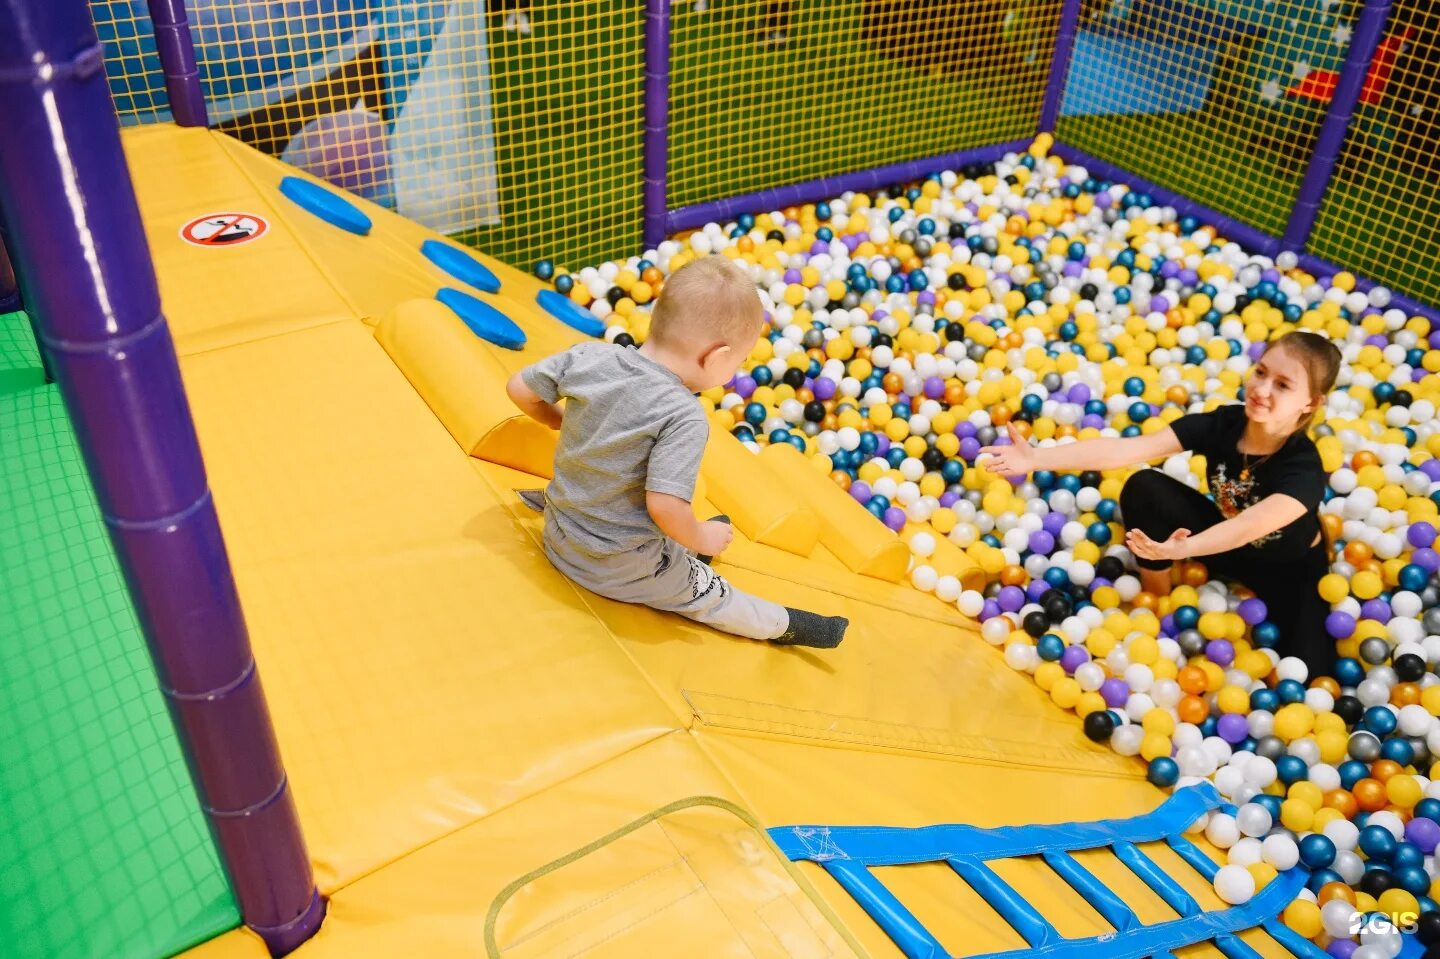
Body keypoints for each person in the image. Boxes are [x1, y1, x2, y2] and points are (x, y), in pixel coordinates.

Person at [506, 256, 848, 649]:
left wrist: (558, 420)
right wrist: (701, 537)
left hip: (561, 534)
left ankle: (685, 548)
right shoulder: (682, 415)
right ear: (715, 357)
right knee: (713, 597)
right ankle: (789, 625)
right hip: (614, 566)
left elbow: (520, 388)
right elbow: (665, 507)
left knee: (662, 529)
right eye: (737, 362)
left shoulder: (591, 356)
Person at [980, 331, 1343, 677]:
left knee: (1311, 675)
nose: (1262, 390)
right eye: (1261, 372)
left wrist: (1186, 546)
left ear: (1310, 403)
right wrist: (1036, 459)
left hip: (1287, 572)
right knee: (1144, 487)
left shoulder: (1304, 470)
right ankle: (1158, 605)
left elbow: (1248, 526)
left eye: (1283, 385)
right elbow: (1130, 449)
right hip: (1224, 546)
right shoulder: (1224, 424)